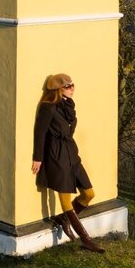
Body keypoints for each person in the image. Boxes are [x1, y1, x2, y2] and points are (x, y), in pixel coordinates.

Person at [31, 73, 105, 253]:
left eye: (73, 85)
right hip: (57, 156)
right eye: (68, 86)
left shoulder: (68, 105)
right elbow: (40, 133)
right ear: (57, 89)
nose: (72, 88)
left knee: (89, 193)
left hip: (72, 153)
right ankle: (86, 240)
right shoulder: (48, 108)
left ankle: (64, 219)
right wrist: (38, 158)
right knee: (65, 199)